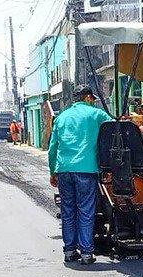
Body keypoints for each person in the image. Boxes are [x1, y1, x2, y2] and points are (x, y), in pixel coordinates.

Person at [48, 85, 112, 265]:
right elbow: (115, 129)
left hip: (63, 170)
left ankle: (69, 251)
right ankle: (86, 253)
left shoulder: (61, 118)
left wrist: (53, 171)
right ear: (88, 98)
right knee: (85, 211)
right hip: (86, 169)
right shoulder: (96, 114)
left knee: (68, 211)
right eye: (92, 99)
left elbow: (52, 148)